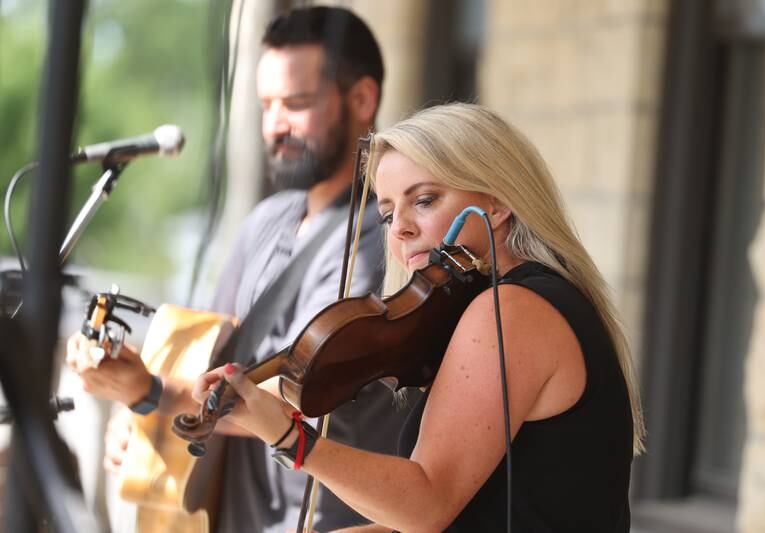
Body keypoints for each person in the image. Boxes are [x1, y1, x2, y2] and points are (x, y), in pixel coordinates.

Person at [195, 102, 646, 532]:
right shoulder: (527, 302)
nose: (400, 229)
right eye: (388, 213)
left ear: (496, 203)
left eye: (425, 200)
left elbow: (427, 504)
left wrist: (291, 441)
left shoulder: (513, 310)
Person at [67, 6, 411, 532]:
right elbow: (207, 350)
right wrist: (140, 413)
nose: (275, 124)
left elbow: (305, 389)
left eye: (296, 103)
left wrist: (153, 392)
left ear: (363, 99)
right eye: (266, 104)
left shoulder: (384, 236)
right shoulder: (266, 221)